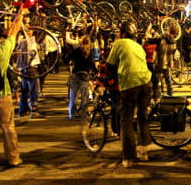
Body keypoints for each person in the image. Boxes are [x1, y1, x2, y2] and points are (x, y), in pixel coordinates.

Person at [106, 20, 153, 168]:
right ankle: (143, 150)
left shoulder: (119, 43)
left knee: (126, 119)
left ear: (123, 33)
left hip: (129, 83)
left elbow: (110, 65)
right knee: (142, 116)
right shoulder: (138, 46)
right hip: (146, 81)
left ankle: (128, 157)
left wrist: (112, 78)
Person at [0, 8, 25, 171]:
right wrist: (20, 14)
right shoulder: (2, 50)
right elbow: (14, 30)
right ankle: (13, 158)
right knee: (8, 128)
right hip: (2, 95)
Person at [66, 34, 97, 119]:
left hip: (75, 74)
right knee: (84, 97)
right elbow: (92, 65)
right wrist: (95, 73)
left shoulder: (77, 50)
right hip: (84, 76)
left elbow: (68, 58)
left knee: (73, 96)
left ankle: (71, 115)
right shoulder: (89, 52)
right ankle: (83, 115)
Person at [16, 26, 41, 117]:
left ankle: (22, 110)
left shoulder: (20, 41)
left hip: (23, 69)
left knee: (24, 90)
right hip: (31, 68)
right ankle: (33, 110)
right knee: (34, 90)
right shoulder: (30, 42)